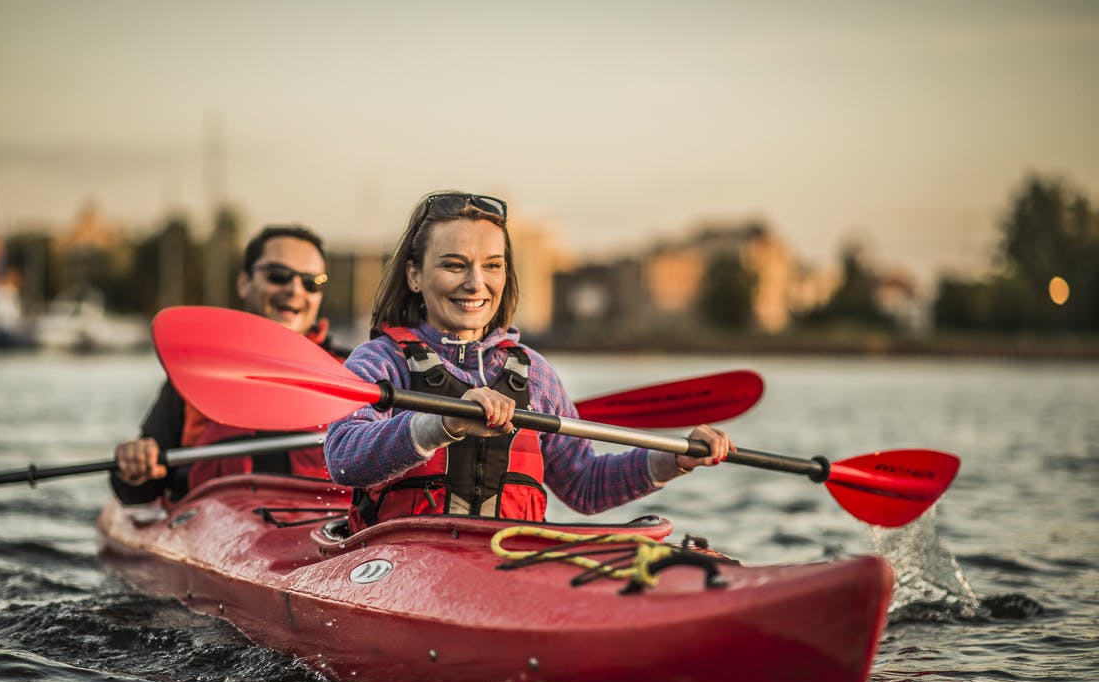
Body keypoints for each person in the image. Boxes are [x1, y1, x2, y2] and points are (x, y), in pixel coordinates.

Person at [324, 192, 732, 532]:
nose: (475, 283)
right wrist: (442, 424)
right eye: (453, 265)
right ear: (414, 276)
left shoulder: (533, 373)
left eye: (492, 266)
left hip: (507, 560)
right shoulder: (380, 362)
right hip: (400, 565)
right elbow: (342, 459)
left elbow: (583, 486)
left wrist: (674, 459)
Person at [111, 224, 349, 505]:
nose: (295, 289)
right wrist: (136, 464)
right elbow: (139, 491)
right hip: (218, 522)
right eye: (278, 276)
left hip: (323, 522)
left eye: (312, 282)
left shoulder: (351, 374)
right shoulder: (197, 374)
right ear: (244, 282)